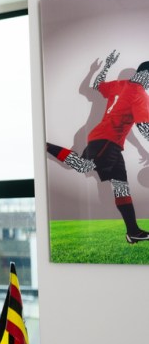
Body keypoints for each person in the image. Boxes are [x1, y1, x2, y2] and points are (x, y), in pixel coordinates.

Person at [46, 50, 149, 243]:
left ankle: (133, 231)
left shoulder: (121, 85)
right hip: (106, 141)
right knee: (84, 166)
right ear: (145, 74)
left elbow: (96, 85)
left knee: (121, 187)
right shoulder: (140, 94)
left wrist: (106, 65)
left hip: (110, 142)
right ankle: (45, 147)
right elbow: (144, 126)